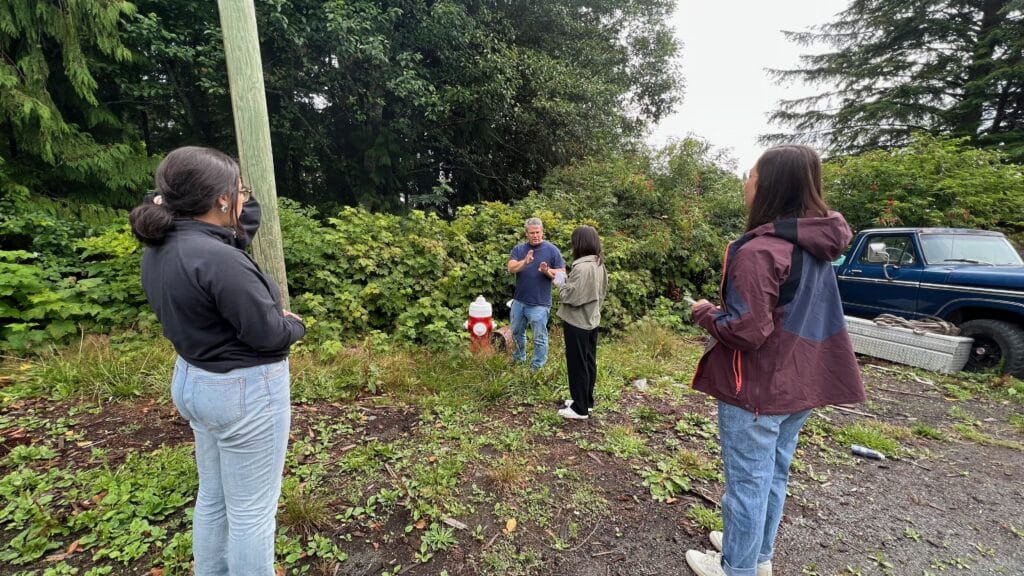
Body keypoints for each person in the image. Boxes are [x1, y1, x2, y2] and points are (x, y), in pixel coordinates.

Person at [685, 145, 865, 576]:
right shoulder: (817, 244)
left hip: (757, 391)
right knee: (773, 476)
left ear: (767, 186)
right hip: (799, 384)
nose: (745, 182)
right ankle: (757, 555)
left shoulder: (760, 252)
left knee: (746, 486)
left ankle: (737, 567)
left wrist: (705, 312)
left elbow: (746, 331)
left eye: (749, 175)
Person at [130, 146, 305, 576]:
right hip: (242, 393)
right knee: (251, 515)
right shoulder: (222, 261)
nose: (245, 197)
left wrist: (218, 185)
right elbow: (268, 335)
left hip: (194, 380)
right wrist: (294, 325)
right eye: (237, 190)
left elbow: (241, 220)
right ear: (222, 200)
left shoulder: (164, 246)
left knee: (214, 496)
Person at [549, 225, 608, 420]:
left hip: (578, 321)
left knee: (577, 363)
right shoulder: (599, 264)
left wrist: (560, 283)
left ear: (579, 243)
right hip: (592, 319)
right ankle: (585, 401)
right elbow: (602, 292)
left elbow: (570, 296)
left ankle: (579, 409)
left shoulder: (581, 268)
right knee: (588, 361)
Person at [507, 217, 565, 370]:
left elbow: (562, 276)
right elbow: (511, 268)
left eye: (538, 232)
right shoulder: (519, 249)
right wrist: (525, 262)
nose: (535, 235)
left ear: (542, 232)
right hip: (519, 301)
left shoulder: (552, 250)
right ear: (527, 234)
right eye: (532, 233)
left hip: (540, 303)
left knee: (539, 338)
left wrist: (547, 271)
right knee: (517, 333)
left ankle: (537, 367)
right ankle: (519, 360)